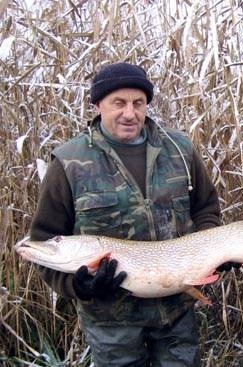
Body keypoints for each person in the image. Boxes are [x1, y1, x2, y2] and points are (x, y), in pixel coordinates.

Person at [29, 62, 223, 366]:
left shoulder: (180, 150)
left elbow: (207, 209)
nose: (129, 113)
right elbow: (43, 242)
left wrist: (211, 255)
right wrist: (78, 286)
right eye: (118, 103)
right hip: (111, 323)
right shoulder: (69, 162)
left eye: (138, 103)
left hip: (176, 313)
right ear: (97, 105)